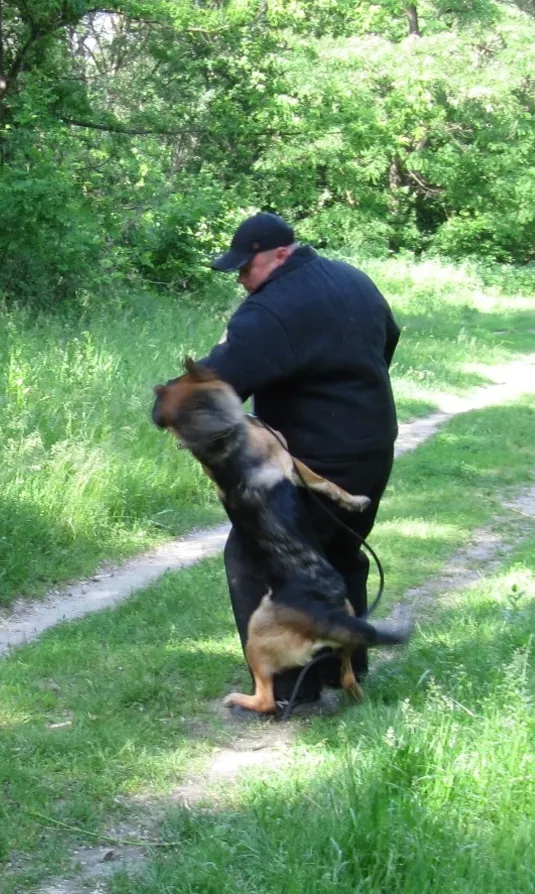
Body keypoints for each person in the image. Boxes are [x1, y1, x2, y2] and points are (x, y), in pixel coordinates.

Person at [197, 211, 401, 718]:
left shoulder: (270, 311)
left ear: (281, 255)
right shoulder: (353, 280)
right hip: (372, 447)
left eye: (247, 268)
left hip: (315, 460)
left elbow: (212, 390)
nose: (242, 280)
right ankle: (342, 671)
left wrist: (170, 409)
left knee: (257, 560)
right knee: (340, 555)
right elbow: (388, 338)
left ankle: (287, 690)